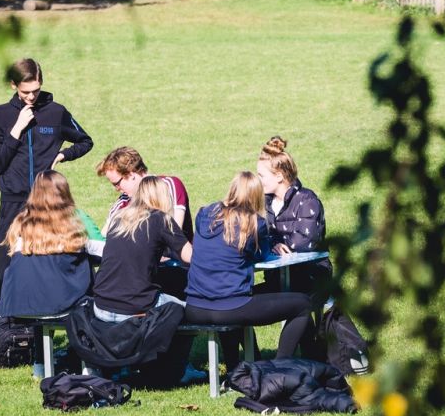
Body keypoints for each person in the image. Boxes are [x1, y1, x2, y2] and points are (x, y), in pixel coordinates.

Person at [0, 58, 93, 308]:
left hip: (48, 201)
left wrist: (63, 155)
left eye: (36, 90)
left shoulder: (56, 112)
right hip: (13, 201)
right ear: (13, 85)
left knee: (52, 259)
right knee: (4, 265)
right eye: (25, 92)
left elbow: (85, 141)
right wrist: (17, 130)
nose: (32, 96)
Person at [184, 172, 312, 371]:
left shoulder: (204, 214)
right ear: (256, 196)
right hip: (228, 307)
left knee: (237, 297)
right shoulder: (255, 223)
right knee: (302, 304)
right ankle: (277, 371)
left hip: (194, 306)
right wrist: (272, 245)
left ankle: (240, 367)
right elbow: (260, 256)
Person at [81, 176, 195, 384]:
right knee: (190, 310)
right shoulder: (162, 219)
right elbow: (191, 257)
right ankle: (177, 368)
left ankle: (125, 366)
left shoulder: (120, 218)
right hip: (134, 306)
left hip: (101, 306)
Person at [0, 171, 92, 319]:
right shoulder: (70, 228)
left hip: (16, 304)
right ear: (64, 195)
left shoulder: (19, 225)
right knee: (85, 262)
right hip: (58, 305)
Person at [255, 136, 331, 297]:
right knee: (243, 298)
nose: (258, 181)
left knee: (299, 309)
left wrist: (273, 244)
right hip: (278, 278)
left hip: (311, 279)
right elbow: (255, 236)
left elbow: (304, 242)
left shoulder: (307, 200)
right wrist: (273, 243)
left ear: (279, 176)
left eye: (261, 175)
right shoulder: (264, 203)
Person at [96, 146, 191, 237]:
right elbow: (103, 239)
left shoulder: (169, 185)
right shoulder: (123, 203)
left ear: (130, 174)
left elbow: (175, 233)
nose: (116, 189)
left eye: (117, 183)